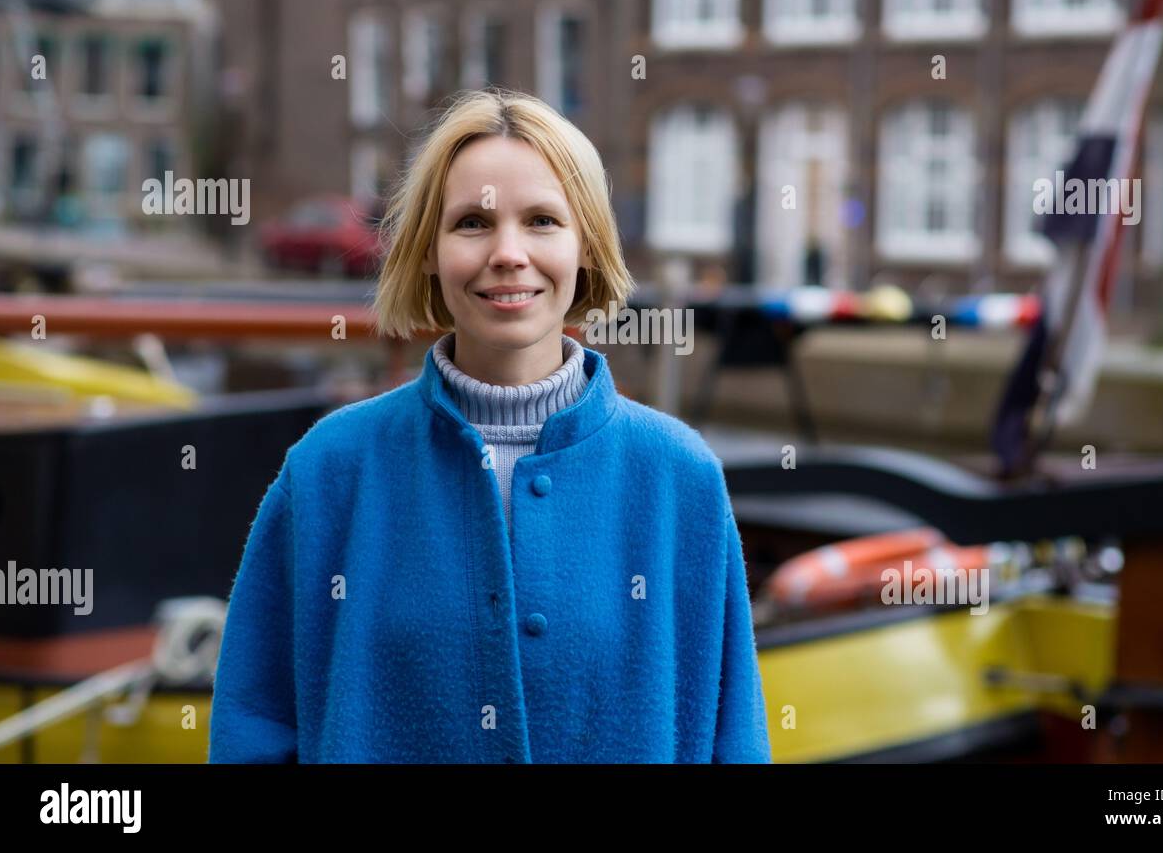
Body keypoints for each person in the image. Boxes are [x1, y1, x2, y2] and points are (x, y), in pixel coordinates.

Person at [208, 88, 771, 763]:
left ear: (586, 246)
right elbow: (254, 728)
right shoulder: (330, 472)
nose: (508, 252)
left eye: (541, 221)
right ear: (425, 250)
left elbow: (731, 738)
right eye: (473, 223)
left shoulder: (678, 479)